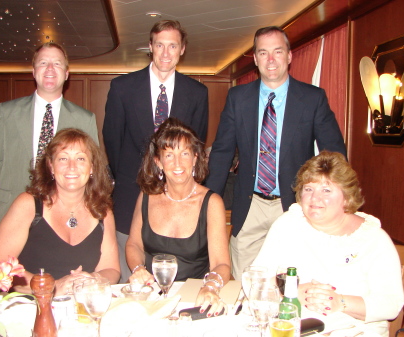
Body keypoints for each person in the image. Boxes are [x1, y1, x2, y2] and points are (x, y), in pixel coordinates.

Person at [206, 26, 347, 280]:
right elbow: (221, 152)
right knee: (242, 285)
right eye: (263, 53)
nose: (270, 60)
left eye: (277, 52)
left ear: (289, 56)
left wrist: (338, 202)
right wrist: (209, 202)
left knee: (292, 281)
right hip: (250, 205)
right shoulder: (238, 98)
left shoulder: (312, 98)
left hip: (293, 205)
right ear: (256, 59)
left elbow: (336, 156)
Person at [252, 151, 404, 337]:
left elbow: (391, 304)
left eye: (326, 190)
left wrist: (340, 302)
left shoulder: (373, 239)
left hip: (355, 331)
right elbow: (257, 278)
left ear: (347, 197)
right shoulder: (287, 224)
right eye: (308, 189)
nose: (314, 198)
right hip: (293, 328)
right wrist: (289, 293)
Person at [103, 20, 208, 283]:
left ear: (182, 49)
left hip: (179, 202)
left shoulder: (197, 93)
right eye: (159, 45)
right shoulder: (122, 88)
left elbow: (195, 146)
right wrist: (135, 176)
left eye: (172, 46)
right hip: (130, 196)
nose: (165, 53)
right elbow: (112, 141)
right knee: (131, 276)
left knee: (175, 277)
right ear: (150, 47)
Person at [0, 42, 99, 248]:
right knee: (10, 276)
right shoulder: (7, 113)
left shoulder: (84, 119)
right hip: (13, 213)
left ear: (66, 73)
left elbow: (92, 173)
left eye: (57, 63)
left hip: (63, 219)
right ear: (33, 71)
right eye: (43, 63)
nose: (49, 68)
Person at [0, 128, 120, 295]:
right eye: (63, 158)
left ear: (92, 167)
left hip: (81, 310)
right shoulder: (28, 204)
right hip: (29, 310)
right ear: (51, 166)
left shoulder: (103, 210)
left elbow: (111, 269)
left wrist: (92, 280)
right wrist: (52, 287)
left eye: (80, 159)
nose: (72, 167)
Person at [126, 118, 230, 316]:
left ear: (195, 158)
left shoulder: (212, 203)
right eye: (169, 155)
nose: (177, 163)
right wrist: (138, 268)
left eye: (184, 154)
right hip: (152, 298)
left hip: (194, 299)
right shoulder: (146, 196)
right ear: (158, 162)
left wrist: (211, 286)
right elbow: (134, 245)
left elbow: (221, 264)